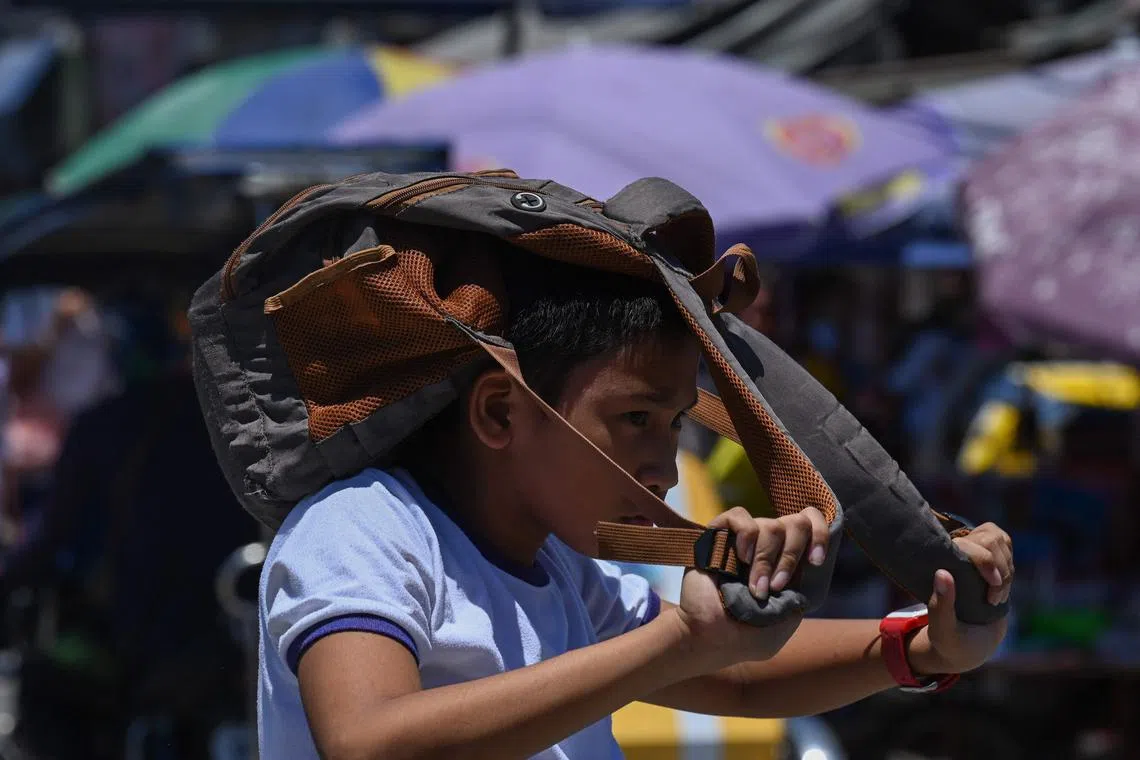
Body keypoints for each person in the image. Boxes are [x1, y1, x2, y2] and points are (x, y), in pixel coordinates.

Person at [259, 245, 1014, 760]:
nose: (664, 466)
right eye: (636, 420)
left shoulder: (561, 571)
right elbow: (365, 742)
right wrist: (681, 642)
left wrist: (919, 648)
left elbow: (738, 674)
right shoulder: (361, 526)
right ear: (499, 414)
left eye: (676, 422)